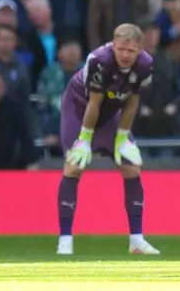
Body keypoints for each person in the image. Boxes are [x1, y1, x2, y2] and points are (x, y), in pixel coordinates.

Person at [55, 23, 160, 256]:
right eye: (120, 49)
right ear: (113, 45)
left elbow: (133, 102)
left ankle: (136, 240)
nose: (124, 55)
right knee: (73, 167)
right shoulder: (99, 60)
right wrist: (84, 139)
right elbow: (94, 102)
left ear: (140, 49)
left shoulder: (146, 65)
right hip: (79, 109)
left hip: (112, 112)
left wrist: (123, 137)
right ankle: (65, 241)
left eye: (130, 51)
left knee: (131, 168)